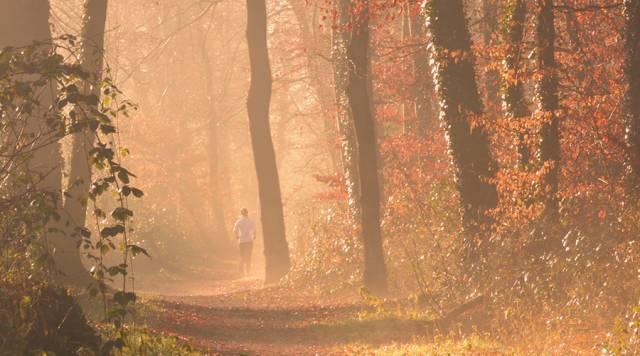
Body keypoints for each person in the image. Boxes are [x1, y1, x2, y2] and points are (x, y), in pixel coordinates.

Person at [232, 208, 256, 276]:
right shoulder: (251, 221)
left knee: (242, 255)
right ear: (247, 213)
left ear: (241, 213)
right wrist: (254, 235)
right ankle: (248, 270)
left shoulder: (239, 221)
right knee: (249, 255)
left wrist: (237, 236)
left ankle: (241, 270)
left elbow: (235, 230)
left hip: (242, 241)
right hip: (249, 240)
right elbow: (254, 230)